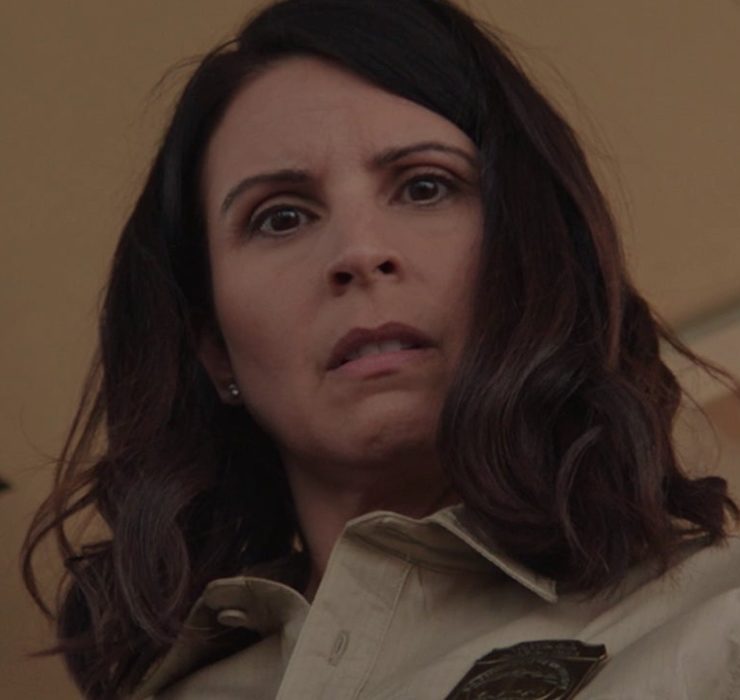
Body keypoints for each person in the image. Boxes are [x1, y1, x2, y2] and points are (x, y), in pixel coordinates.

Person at [22, 0, 740, 698]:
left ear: (538, 259)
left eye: (425, 187)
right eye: (281, 218)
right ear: (213, 347)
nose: (360, 252)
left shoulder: (714, 626)